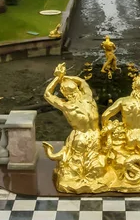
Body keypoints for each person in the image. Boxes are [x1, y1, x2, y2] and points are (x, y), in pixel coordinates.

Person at [43, 63, 105, 192]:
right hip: (95, 135)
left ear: (64, 93)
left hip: (79, 137)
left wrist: (58, 78)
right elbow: (83, 82)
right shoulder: (89, 98)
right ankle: (93, 178)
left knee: (76, 164)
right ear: (76, 89)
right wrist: (66, 76)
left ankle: (77, 179)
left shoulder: (66, 105)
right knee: (92, 160)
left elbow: (47, 94)